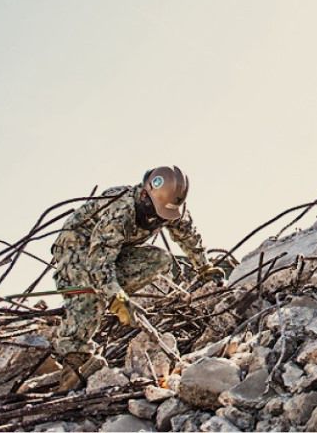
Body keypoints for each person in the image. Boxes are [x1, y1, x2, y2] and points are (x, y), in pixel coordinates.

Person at [51, 166, 223, 389]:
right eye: (154, 213)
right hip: (77, 249)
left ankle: (106, 296)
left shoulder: (171, 206)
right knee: (90, 289)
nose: (156, 220)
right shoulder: (119, 211)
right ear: (144, 195)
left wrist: (204, 267)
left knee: (159, 259)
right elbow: (98, 263)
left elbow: (188, 234)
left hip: (115, 251)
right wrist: (117, 298)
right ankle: (75, 359)